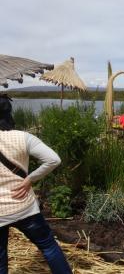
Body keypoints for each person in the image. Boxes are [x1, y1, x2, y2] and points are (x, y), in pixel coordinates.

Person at [0, 94, 72, 273]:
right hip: (24, 206)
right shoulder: (23, 137)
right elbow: (53, 159)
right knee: (48, 246)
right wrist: (30, 179)